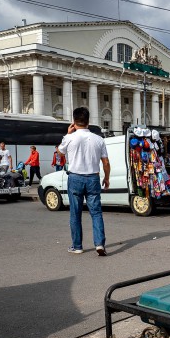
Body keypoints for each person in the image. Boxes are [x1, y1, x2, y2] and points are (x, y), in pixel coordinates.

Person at [58, 107, 110, 256]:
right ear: (88, 121)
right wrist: (106, 178)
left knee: (75, 213)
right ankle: (99, 244)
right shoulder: (99, 139)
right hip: (93, 177)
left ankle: (77, 245)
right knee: (96, 213)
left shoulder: (70, 137)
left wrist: (68, 134)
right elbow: (105, 162)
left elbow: (60, 152)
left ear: (74, 122)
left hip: (75, 178)